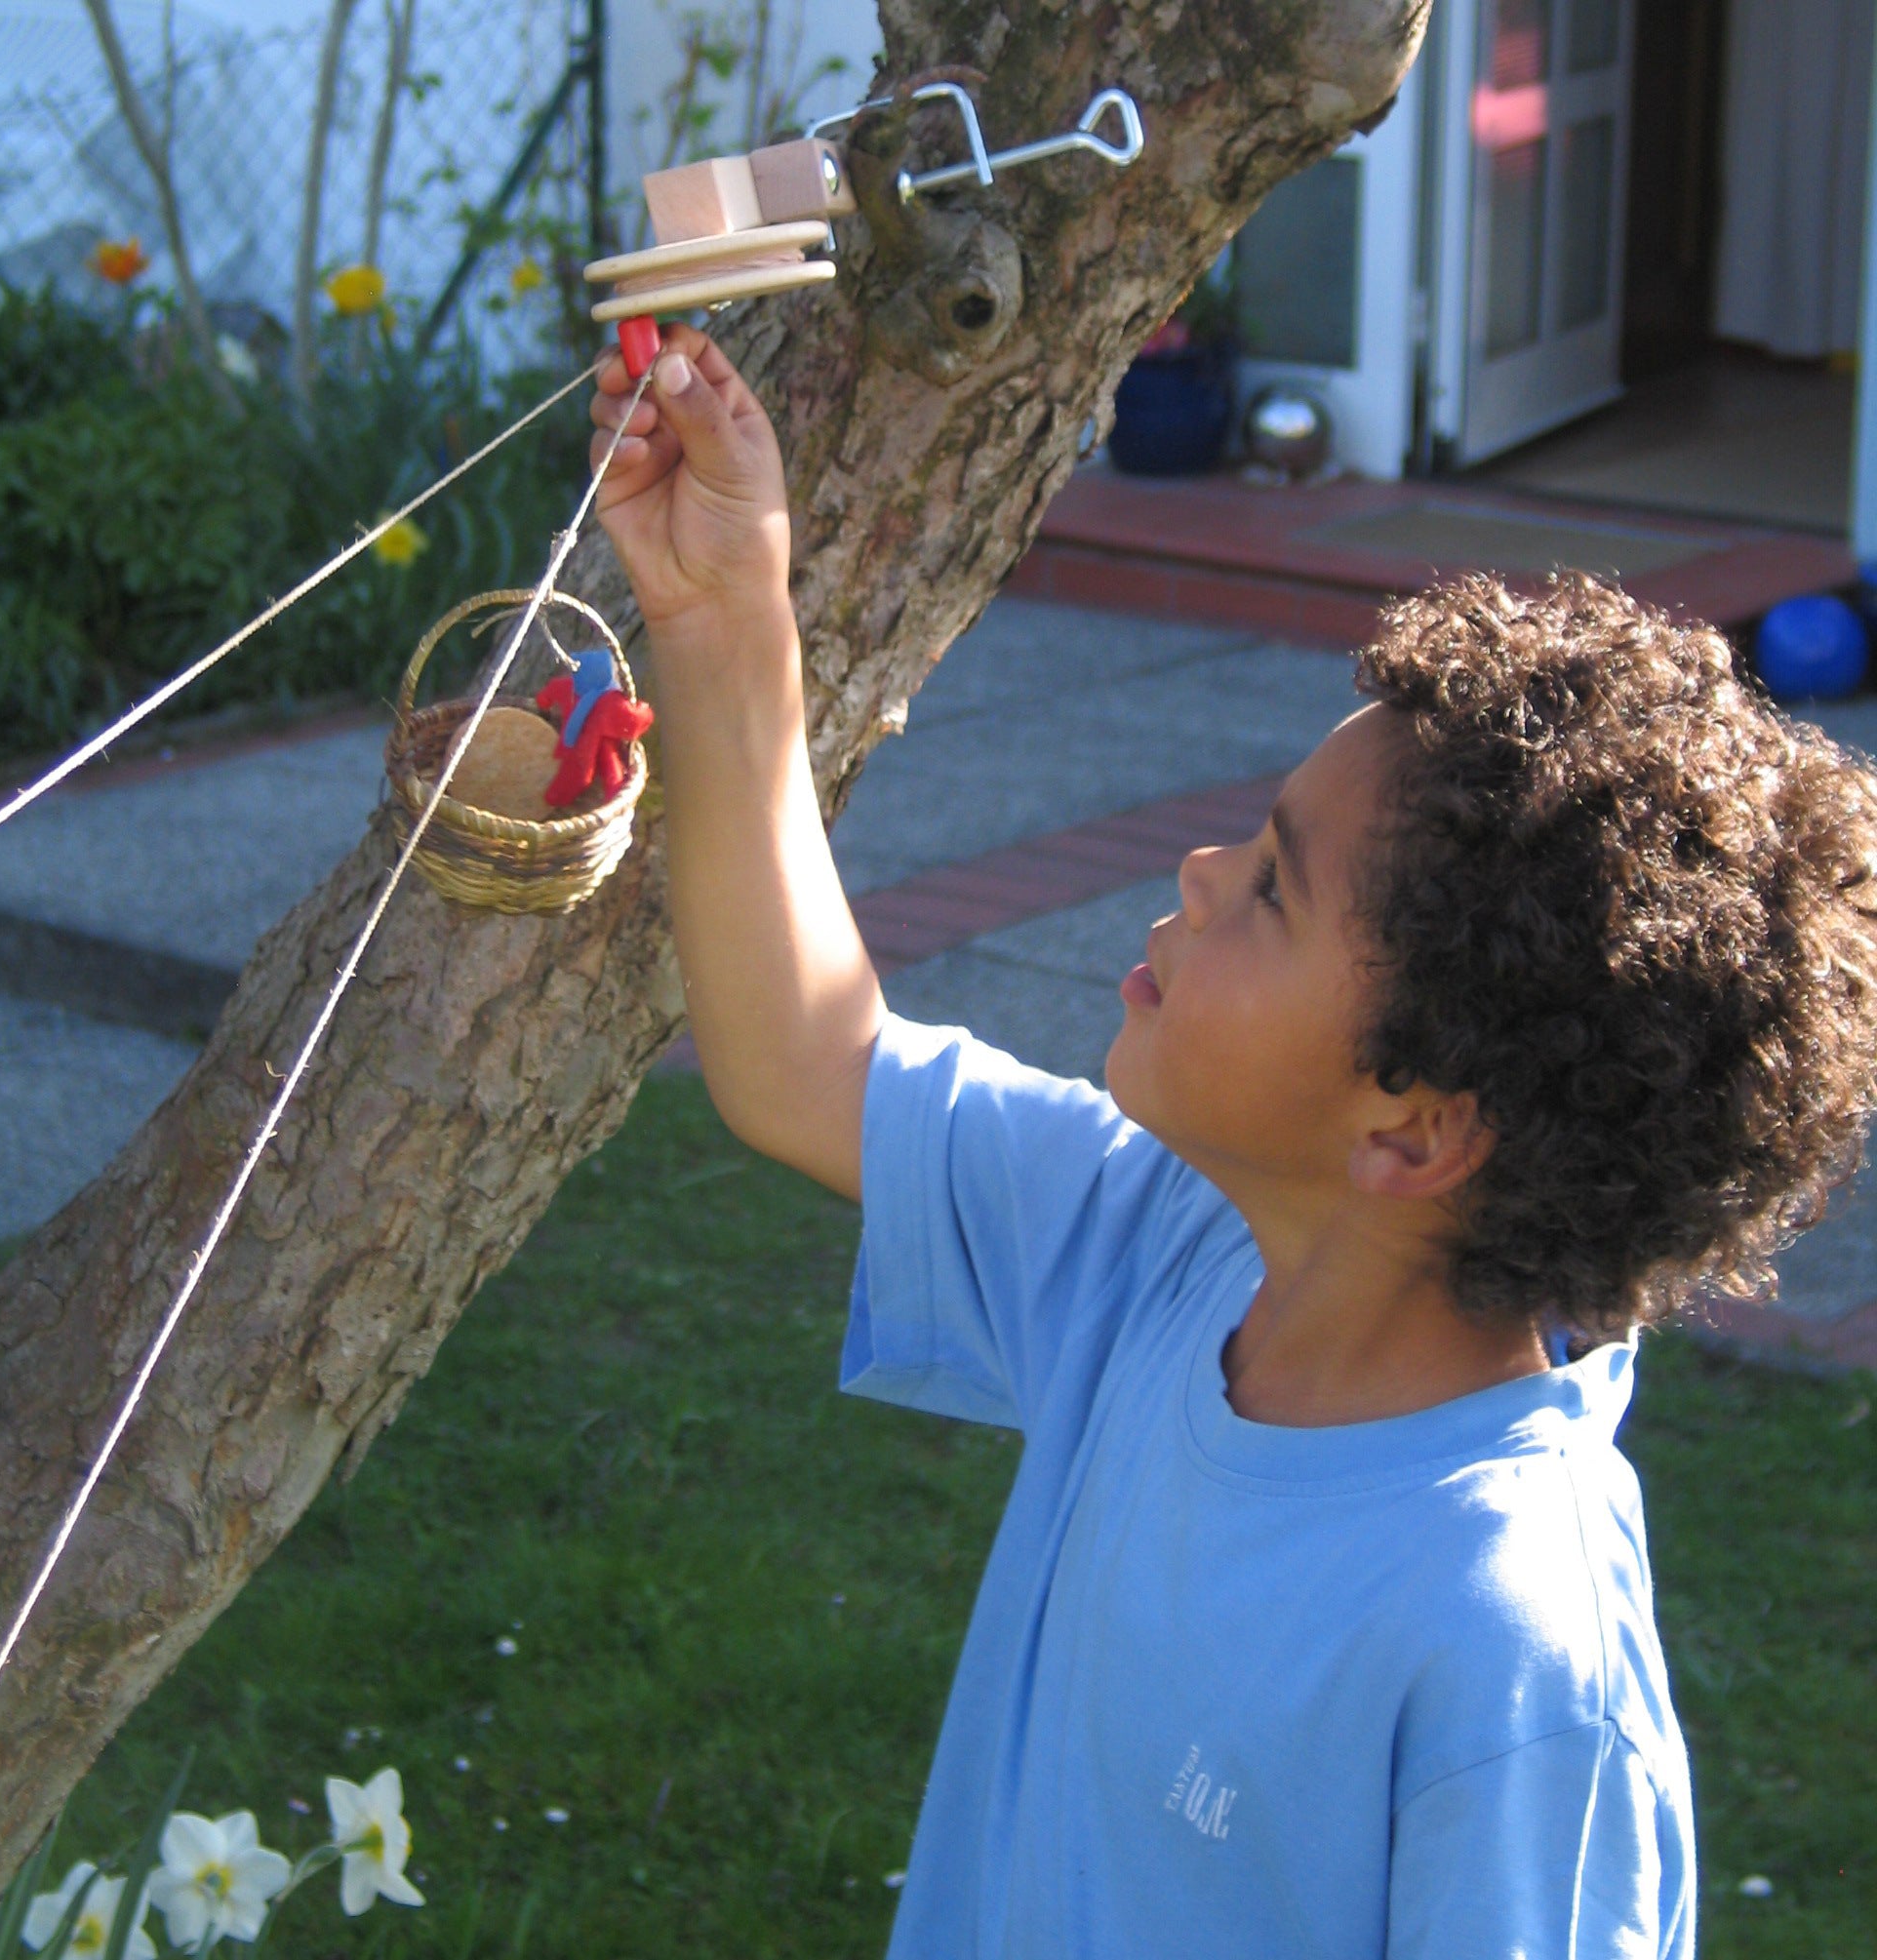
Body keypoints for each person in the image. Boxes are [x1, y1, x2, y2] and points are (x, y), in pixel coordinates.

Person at [588, 325, 1877, 1957]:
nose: (1199, 870)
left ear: (1412, 1128)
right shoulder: (1166, 1248)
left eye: (1272, 883)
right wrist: (717, 613)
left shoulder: (1515, 1658)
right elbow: (802, 1059)